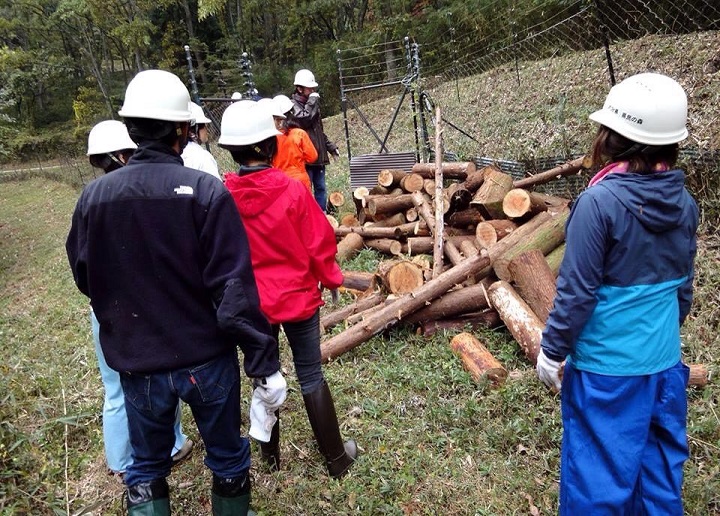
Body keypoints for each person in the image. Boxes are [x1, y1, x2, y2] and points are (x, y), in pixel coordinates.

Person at [66, 69, 286, 515]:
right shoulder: (205, 192)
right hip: (206, 360)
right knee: (226, 457)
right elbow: (234, 291)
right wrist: (264, 362)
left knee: (146, 467)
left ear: (130, 128)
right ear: (183, 129)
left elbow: (86, 277)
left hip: (139, 362)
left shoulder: (93, 199)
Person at [536, 72, 698, 514]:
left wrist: (551, 352)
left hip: (606, 376)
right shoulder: (685, 204)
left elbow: (577, 292)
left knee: (597, 482)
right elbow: (682, 290)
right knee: (658, 477)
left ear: (611, 138)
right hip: (665, 368)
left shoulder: (598, 204)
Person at [218, 101, 357, 478]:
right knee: (311, 375)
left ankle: (270, 459)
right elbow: (320, 241)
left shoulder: (223, 197)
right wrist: (331, 279)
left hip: (252, 305)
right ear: (269, 144)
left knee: (266, 375)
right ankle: (337, 459)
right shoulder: (293, 190)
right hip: (297, 298)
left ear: (231, 150)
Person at [85, 120, 193, 476]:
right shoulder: (136, 194)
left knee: (115, 389)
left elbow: (81, 265)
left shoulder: (92, 198)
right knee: (160, 371)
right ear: (120, 154)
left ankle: (119, 461)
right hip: (144, 304)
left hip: (105, 308)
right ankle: (173, 443)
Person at [287, 69, 340, 212]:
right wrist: (313, 101)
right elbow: (304, 120)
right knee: (306, 191)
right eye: (309, 88)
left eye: (313, 88)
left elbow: (318, 131)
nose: (312, 90)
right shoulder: (292, 106)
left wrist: (330, 147)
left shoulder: (312, 104)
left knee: (321, 188)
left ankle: (322, 215)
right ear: (299, 88)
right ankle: (310, 218)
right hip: (304, 158)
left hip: (318, 157)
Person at [261, 95, 317, 191]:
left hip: (279, 182)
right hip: (300, 181)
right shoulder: (299, 133)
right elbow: (312, 157)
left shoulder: (269, 138)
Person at [181, 102, 221, 180]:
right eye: (203, 125)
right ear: (194, 129)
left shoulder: (175, 153)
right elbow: (217, 189)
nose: (206, 129)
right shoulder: (202, 157)